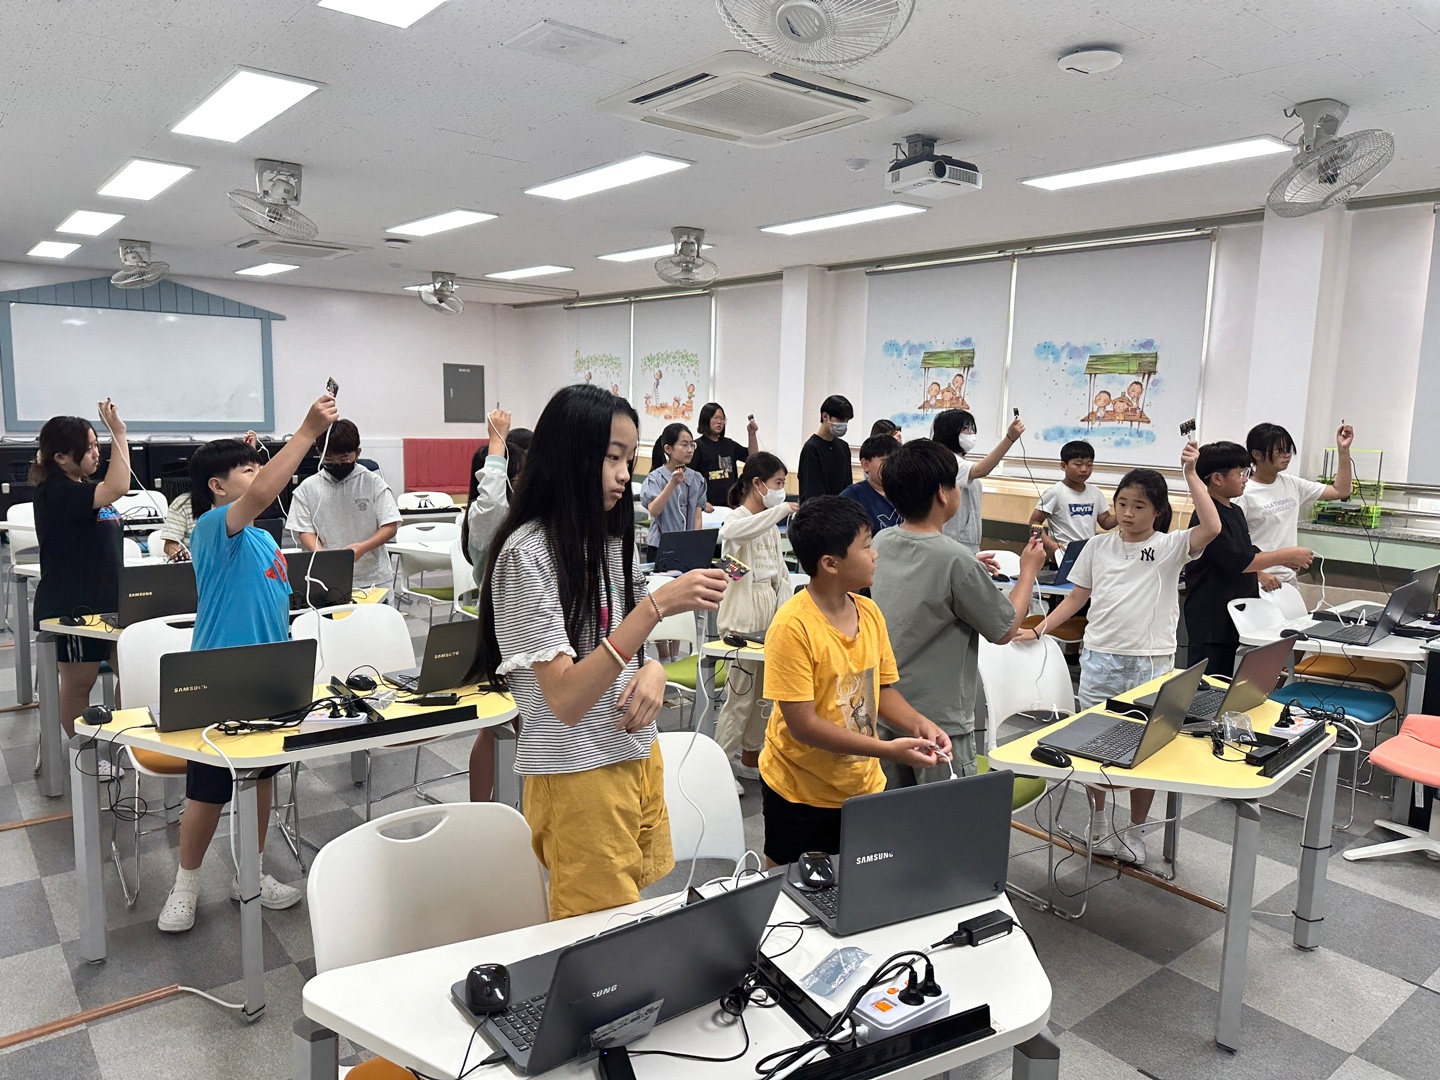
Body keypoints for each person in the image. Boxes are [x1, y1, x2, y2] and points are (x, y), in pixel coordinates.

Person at [478, 384, 729, 920]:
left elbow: (636, 650)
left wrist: (657, 668)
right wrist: (656, 608)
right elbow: (566, 700)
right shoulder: (528, 555)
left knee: (629, 911)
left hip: (633, 751)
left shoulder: (610, 544)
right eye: (610, 457)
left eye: (628, 459)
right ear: (569, 457)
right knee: (596, 930)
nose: (623, 474)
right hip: (577, 773)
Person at [157, 393, 339, 934]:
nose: (258, 475)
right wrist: (305, 431)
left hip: (268, 678)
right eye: (244, 469)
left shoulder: (262, 538)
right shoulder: (214, 528)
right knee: (208, 790)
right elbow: (263, 491)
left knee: (261, 778)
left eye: (257, 466)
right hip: (217, 677)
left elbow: (261, 495)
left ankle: (250, 876)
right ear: (217, 486)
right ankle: (185, 885)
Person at [1015, 441, 1220, 866]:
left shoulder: (1169, 546)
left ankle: (1135, 829)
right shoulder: (1097, 547)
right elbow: (1076, 598)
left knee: (1147, 750)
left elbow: (1213, 528)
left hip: (1151, 661)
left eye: (1139, 506)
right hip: (1100, 658)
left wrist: (1191, 476)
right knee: (1096, 746)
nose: (1128, 513)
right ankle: (1098, 820)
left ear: (1157, 512)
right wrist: (1041, 626)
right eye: (1122, 503)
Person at [759, 496, 951, 866]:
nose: (875, 554)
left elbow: (881, 689)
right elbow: (803, 726)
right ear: (830, 564)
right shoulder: (792, 626)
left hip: (862, 783)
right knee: (792, 889)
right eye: (866, 546)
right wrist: (887, 750)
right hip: (801, 789)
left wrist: (920, 724)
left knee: (860, 878)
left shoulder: (869, 611)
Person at [873, 439, 1045, 783]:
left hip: (885, 709)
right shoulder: (954, 559)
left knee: (889, 819)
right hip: (939, 725)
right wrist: (1028, 571)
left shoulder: (881, 542)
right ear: (942, 493)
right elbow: (1005, 629)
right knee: (944, 825)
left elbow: (923, 586)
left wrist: (967, 568)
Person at [31, 402, 128, 746]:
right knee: (79, 684)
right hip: (73, 607)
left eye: (96, 445)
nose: (95, 453)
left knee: (133, 674)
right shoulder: (56, 491)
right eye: (87, 448)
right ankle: (83, 755)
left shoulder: (83, 485)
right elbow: (117, 488)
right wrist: (119, 433)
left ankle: (124, 741)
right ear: (60, 457)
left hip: (111, 602)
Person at [1184, 441, 1314, 676]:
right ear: (1217, 478)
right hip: (1212, 619)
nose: (1246, 478)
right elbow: (1238, 562)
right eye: (1241, 473)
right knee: (1209, 687)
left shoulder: (1235, 511)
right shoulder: (1207, 519)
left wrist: (1281, 561)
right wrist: (1285, 554)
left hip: (1238, 615)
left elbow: (1246, 550)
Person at [715, 453, 796, 792]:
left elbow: (779, 570)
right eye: (778, 484)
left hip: (768, 616)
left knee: (765, 696)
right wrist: (780, 510)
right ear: (758, 484)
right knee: (740, 697)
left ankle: (750, 759)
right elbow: (730, 541)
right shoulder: (738, 519)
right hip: (742, 619)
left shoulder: (768, 525)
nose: (781, 491)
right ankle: (719, 765)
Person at [462, 409, 532, 802]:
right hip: (500, 634)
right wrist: (496, 444)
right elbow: (490, 504)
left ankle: (524, 808)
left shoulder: (528, 516)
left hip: (531, 631)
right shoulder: (491, 518)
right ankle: (481, 811)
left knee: (527, 724)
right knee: (495, 727)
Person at [285, 419, 401, 591]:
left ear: (357, 453)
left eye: (344, 458)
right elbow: (304, 530)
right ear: (319, 452)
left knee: (375, 618)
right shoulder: (307, 488)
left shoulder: (373, 483)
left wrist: (363, 547)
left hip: (373, 578)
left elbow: (390, 525)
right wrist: (324, 556)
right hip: (326, 577)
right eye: (330, 459)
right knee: (331, 617)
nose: (337, 464)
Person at [1235, 421, 1354, 586]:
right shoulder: (1243, 493)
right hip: (1259, 581)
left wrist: (1343, 450)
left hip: (1288, 578)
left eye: (1289, 450)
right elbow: (1233, 546)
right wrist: (1258, 574)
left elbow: (1341, 490)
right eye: (1280, 451)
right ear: (1257, 454)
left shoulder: (1292, 484)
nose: (1287, 455)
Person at [157, 430, 263, 561]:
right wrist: (184, 557)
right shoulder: (185, 505)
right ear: (217, 486)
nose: (261, 476)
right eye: (249, 470)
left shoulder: (246, 506)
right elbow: (170, 544)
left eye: (261, 469)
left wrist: (250, 453)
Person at [931, 409, 1025, 553]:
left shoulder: (959, 460)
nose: (971, 434)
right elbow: (981, 470)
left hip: (967, 541)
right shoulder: (946, 460)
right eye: (965, 429)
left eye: (972, 429)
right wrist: (1009, 439)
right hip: (953, 541)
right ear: (949, 431)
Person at [463, 410, 532, 590]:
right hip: (499, 613)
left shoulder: (523, 514)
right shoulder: (487, 516)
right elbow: (493, 499)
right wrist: (497, 441)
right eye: (521, 476)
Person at [1030, 439, 1116, 562]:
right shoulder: (1055, 493)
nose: (1084, 469)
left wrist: (1123, 513)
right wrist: (1049, 545)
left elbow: (1106, 523)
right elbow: (1034, 522)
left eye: (1089, 464)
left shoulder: (1095, 492)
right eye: (1078, 464)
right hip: (1063, 556)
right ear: (1063, 466)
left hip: (1088, 555)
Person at [640, 422, 707, 562]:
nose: (690, 450)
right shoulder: (655, 478)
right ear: (668, 449)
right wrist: (673, 483)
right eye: (684, 445)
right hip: (660, 547)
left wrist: (696, 544)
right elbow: (654, 510)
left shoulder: (697, 479)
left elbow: (697, 516)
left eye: (692, 445)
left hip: (687, 547)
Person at [690, 402, 758, 511]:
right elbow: (689, 478)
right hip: (708, 506)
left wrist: (752, 434)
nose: (719, 422)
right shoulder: (697, 447)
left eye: (722, 419)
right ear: (706, 419)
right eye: (715, 418)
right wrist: (701, 501)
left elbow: (752, 457)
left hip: (731, 505)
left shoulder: (729, 444)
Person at [797, 395, 854, 503]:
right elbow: (812, 493)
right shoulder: (811, 449)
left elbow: (848, 487)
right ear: (825, 416)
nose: (844, 424)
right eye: (840, 419)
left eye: (846, 420)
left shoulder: (843, 447)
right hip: (818, 513)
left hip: (842, 513)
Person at [840, 434, 901, 535]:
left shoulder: (906, 491)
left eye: (895, 460)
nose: (892, 465)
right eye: (885, 461)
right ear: (866, 465)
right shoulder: (853, 497)